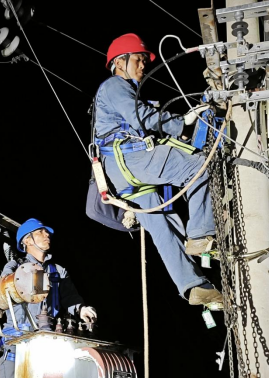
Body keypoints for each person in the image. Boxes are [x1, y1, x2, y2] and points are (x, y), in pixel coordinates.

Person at [93, 33, 223, 306]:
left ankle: (193, 285)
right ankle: (200, 234)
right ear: (119, 62)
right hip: (130, 159)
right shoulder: (115, 85)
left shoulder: (116, 92)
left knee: (161, 224)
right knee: (199, 167)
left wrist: (178, 134)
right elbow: (141, 117)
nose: (143, 66)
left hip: (118, 173)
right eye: (138, 60)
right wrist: (182, 124)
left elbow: (139, 121)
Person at [0, 218, 97, 378]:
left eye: (46, 232)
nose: (47, 235)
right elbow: (4, 289)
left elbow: (70, 298)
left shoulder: (57, 271)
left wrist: (81, 309)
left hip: (47, 345)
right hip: (17, 345)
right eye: (41, 232)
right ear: (27, 240)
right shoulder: (15, 268)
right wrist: (2, 282)